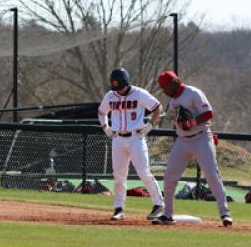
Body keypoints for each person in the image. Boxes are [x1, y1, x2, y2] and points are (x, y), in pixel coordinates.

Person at [151, 70, 233, 227]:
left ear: (174, 83)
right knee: (170, 176)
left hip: (201, 138)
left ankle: (225, 213)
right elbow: (176, 118)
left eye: (165, 87)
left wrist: (192, 123)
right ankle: (167, 214)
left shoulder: (193, 93)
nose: (164, 91)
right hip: (182, 141)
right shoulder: (173, 101)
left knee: (211, 175)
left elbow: (209, 113)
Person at [98, 68, 165, 221]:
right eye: (115, 87)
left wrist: (150, 125)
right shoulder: (110, 95)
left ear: (126, 83)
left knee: (143, 172)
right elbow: (101, 112)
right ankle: (118, 209)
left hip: (136, 137)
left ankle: (159, 204)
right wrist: (105, 127)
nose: (118, 90)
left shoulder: (139, 93)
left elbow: (157, 107)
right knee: (119, 176)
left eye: (120, 86)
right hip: (118, 139)